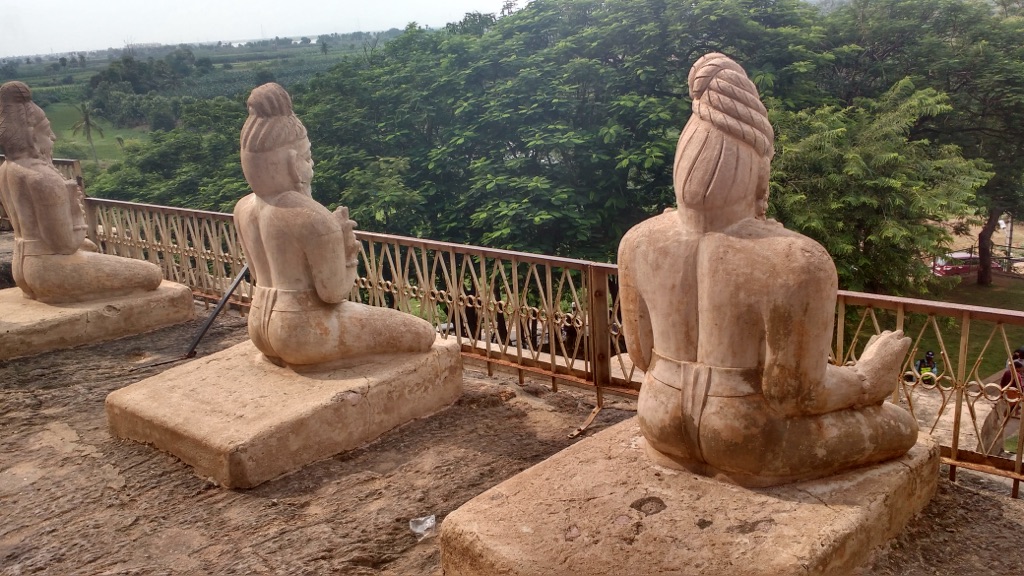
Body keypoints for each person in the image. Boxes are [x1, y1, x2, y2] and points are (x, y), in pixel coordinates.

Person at [617, 53, 918, 487]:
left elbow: (642, 356)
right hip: (752, 438)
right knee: (900, 426)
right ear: (759, 174)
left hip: (658, 415)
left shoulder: (639, 241)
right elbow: (795, 395)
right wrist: (868, 377)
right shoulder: (795, 260)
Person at [233, 82, 435, 367]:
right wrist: (347, 249)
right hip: (304, 330)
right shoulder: (311, 218)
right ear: (294, 163)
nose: (311, 164)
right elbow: (333, 293)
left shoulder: (243, 208)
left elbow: (256, 273)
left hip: (259, 324)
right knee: (421, 333)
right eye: (308, 157)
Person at [0, 81, 161, 303]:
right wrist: (74, 206)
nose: (53, 138)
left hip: (22, 268)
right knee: (151, 273)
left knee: (91, 247)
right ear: (33, 137)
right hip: (51, 271)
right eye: (47, 132)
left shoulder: (7, 169)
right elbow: (65, 245)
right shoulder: (43, 178)